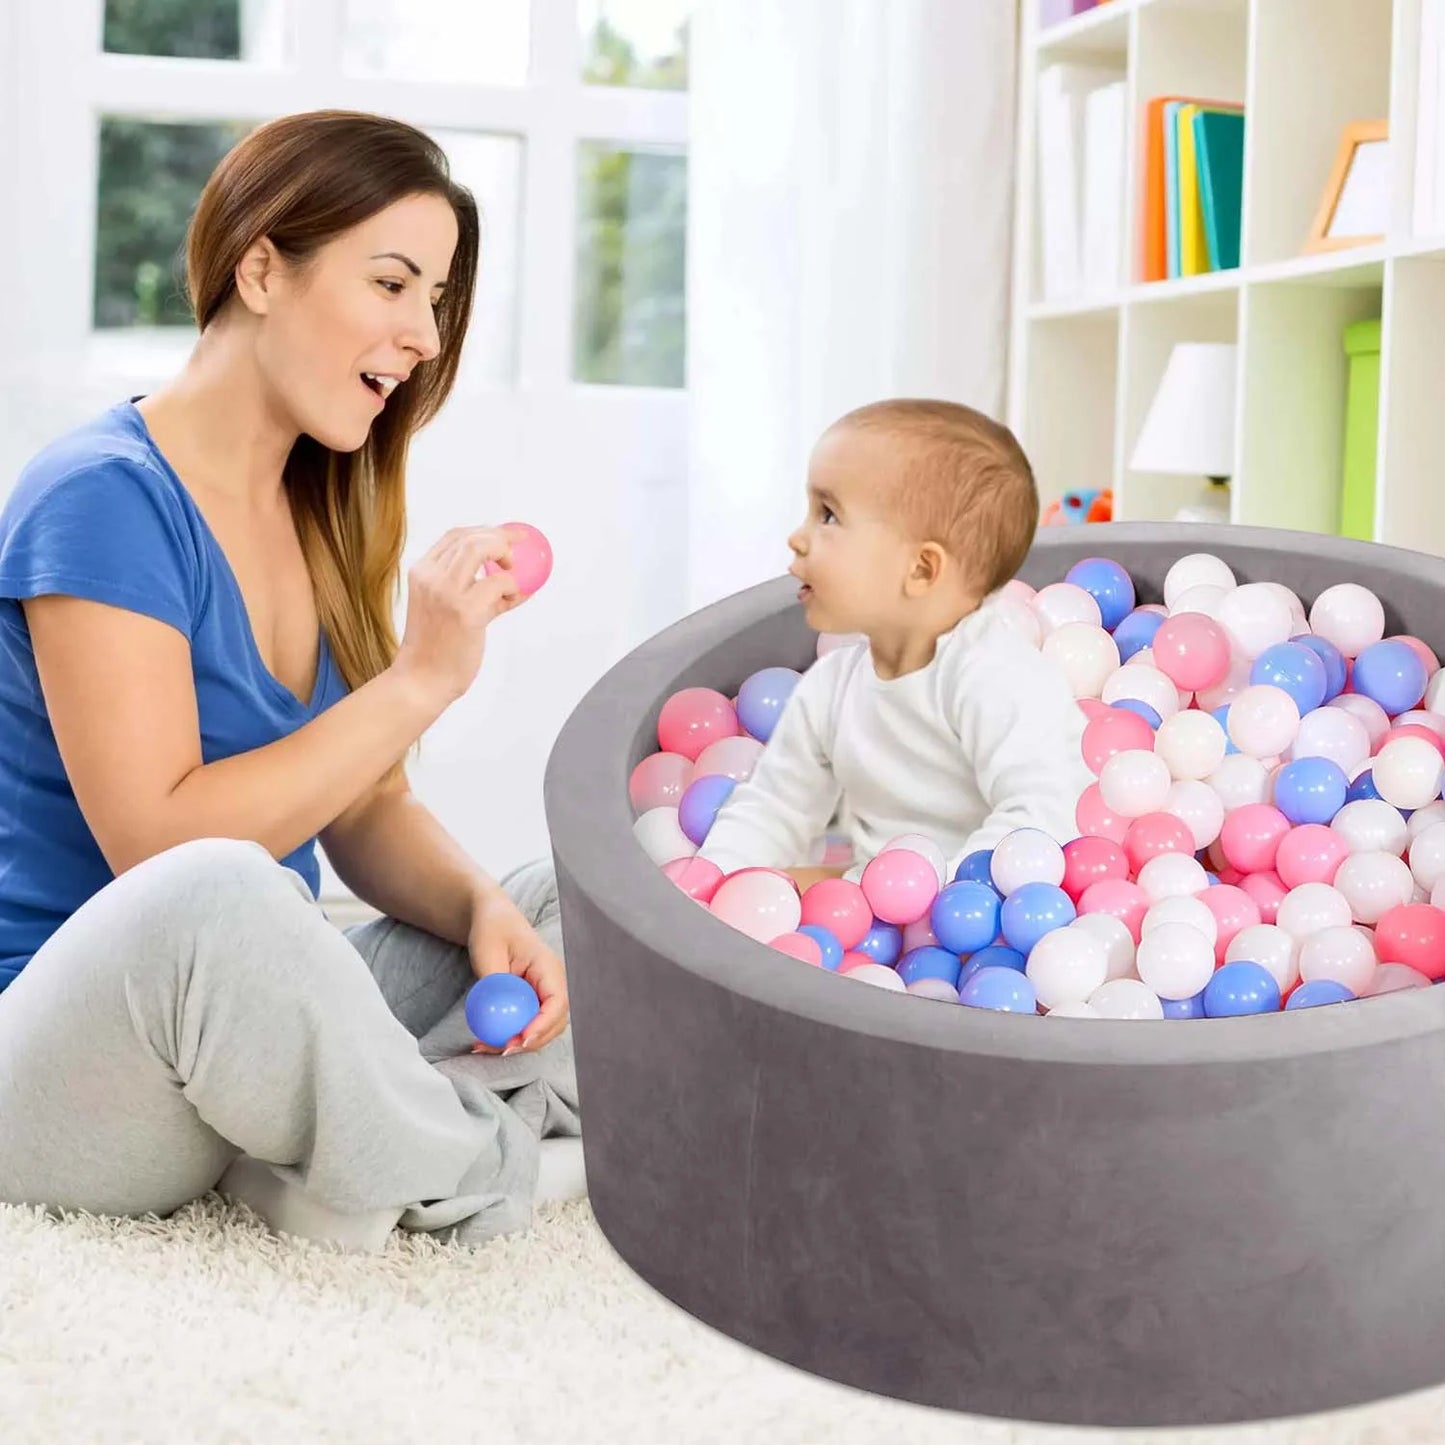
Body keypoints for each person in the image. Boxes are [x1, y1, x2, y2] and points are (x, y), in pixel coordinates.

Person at [0, 111, 580, 1252]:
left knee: (572, 902)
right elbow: (159, 850)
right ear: (261, 269)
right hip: (64, 1056)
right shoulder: (101, 497)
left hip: (235, 1023)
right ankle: (480, 1163)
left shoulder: (322, 504)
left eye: (436, 299)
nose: (424, 335)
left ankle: (342, 1155)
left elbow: (363, 807)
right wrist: (416, 681)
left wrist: (479, 909)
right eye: (392, 283)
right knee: (224, 891)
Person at [697, 398, 1092, 888]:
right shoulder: (832, 686)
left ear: (921, 569)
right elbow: (773, 807)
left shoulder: (995, 676)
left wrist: (908, 893)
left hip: (997, 906)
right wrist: (714, 880)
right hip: (877, 911)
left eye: (828, 515)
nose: (797, 537)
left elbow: (1042, 816)